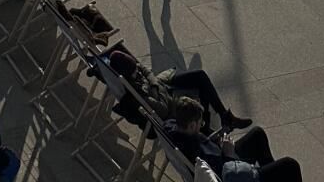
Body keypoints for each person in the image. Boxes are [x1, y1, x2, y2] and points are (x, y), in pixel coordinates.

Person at [102, 42, 251, 137]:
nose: (138, 70)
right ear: (129, 75)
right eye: (135, 72)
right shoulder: (138, 93)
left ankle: (223, 116)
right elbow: (163, 109)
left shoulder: (134, 72)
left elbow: (144, 69)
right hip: (168, 100)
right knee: (199, 89)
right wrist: (154, 84)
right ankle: (206, 126)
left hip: (163, 85)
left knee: (200, 76)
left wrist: (153, 82)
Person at [163, 98, 301, 182]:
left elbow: (204, 146)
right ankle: (272, 175)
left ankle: (272, 176)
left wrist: (215, 141)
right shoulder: (194, 150)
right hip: (232, 172)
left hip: (222, 158)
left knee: (257, 133)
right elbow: (225, 174)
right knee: (290, 164)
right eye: (200, 123)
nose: (201, 126)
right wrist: (228, 154)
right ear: (192, 125)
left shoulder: (171, 127)